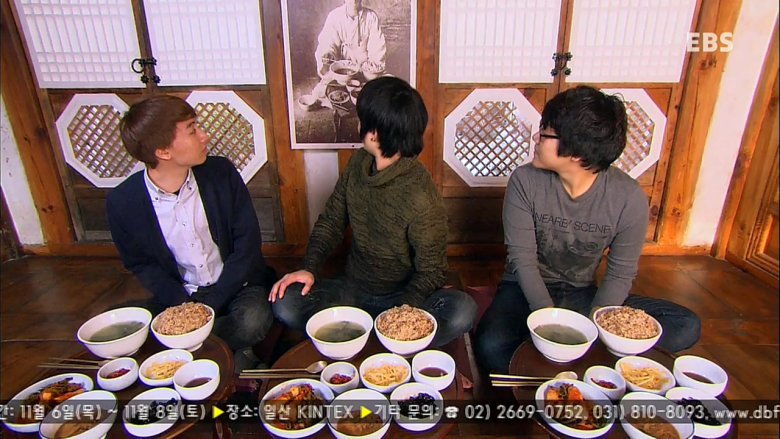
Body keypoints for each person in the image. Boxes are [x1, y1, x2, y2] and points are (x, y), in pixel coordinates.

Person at [474, 85, 701, 374]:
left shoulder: (628, 197)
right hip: (523, 289)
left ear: (576, 152)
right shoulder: (525, 181)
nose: (535, 138)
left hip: (584, 295)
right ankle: (584, 365)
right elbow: (523, 260)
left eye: (545, 133)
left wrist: (596, 324)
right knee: (490, 345)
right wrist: (549, 321)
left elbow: (620, 273)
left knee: (685, 325)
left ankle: (571, 363)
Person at [269, 76, 477, 347]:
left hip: (402, 297)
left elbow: (432, 271)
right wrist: (308, 268)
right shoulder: (358, 162)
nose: (358, 124)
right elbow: (331, 221)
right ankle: (386, 342)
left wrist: (400, 316)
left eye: (361, 119)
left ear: (374, 133)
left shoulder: (421, 195)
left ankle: (370, 338)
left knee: (462, 310)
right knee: (285, 303)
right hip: (352, 290)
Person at [106, 95, 275, 373]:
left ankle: (187, 350)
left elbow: (247, 242)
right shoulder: (122, 202)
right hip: (182, 295)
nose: (204, 136)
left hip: (236, 285)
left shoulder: (220, 173)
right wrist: (184, 306)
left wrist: (212, 302)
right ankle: (228, 353)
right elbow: (140, 263)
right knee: (117, 325)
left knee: (252, 319)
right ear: (163, 152)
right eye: (192, 130)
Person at [314, 0, 387, 78]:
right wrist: (329, 54)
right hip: (340, 71)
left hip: (364, 71)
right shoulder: (334, 16)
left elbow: (377, 49)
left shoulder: (371, 17)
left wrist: (371, 68)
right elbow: (327, 42)